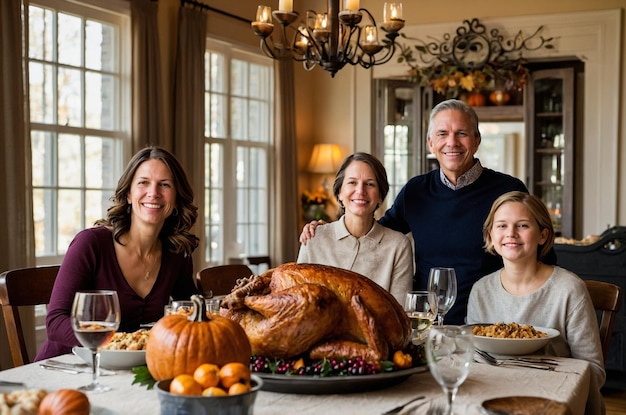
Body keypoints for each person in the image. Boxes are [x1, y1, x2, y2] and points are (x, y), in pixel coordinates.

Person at [301, 99, 534, 324]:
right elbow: (373, 231)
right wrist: (327, 230)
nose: (451, 142)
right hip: (429, 326)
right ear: (430, 143)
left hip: (491, 323)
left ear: (476, 140)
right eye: (442, 134)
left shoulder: (508, 191)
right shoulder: (416, 191)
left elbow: (536, 256)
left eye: (461, 133)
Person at [36, 146, 200, 360]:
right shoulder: (91, 244)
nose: (153, 193)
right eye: (143, 183)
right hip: (66, 367)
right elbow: (55, 323)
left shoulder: (177, 254)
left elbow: (193, 314)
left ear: (177, 198)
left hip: (126, 370)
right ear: (129, 194)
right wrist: (119, 345)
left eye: (165, 184)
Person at [467, 191, 605, 415]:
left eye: (522, 226)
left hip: (553, 402)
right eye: (501, 226)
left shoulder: (570, 289)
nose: (511, 233)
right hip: (493, 398)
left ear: (542, 235)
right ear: (491, 235)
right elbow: (476, 359)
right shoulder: (481, 290)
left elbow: (594, 371)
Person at [297, 153, 413, 305]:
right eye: (352, 182)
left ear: (380, 196)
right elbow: (298, 301)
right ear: (339, 193)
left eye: (370, 184)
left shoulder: (398, 246)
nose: (360, 191)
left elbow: (399, 313)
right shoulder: (313, 238)